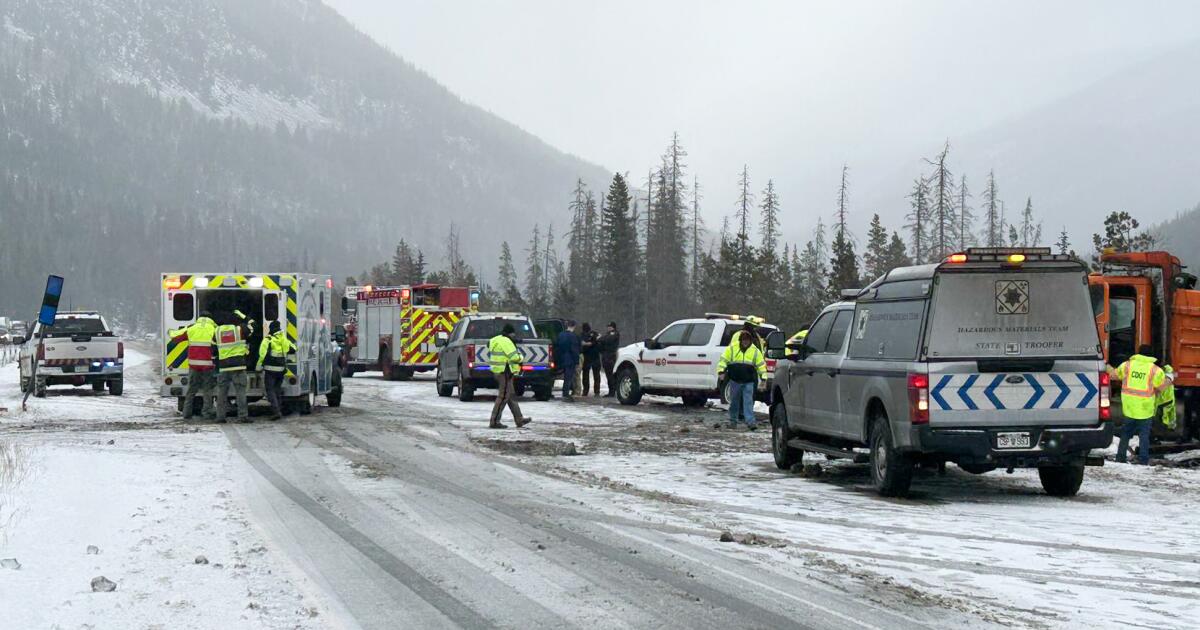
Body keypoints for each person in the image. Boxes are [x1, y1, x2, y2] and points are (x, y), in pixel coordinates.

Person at [1108, 344, 1168, 465]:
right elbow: (1161, 387)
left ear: (1138, 353)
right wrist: (1169, 380)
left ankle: (1120, 458)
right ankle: (1143, 460)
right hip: (1145, 410)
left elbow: (1114, 375)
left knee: (1125, 434)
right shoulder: (1155, 370)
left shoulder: (1127, 365)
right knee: (1144, 436)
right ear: (1151, 354)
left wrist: (1107, 366)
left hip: (1129, 408)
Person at [718, 329, 767, 430]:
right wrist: (721, 372)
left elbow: (761, 365)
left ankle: (751, 423)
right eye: (743, 339)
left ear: (750, 341)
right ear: (740, 340)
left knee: (748, 402)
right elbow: (723, 360)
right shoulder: (732, 349)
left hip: (748, 381)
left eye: (747, 340)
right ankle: (733, 422)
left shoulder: (755, 351)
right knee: (734, 403)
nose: (745, 341)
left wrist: (763, 379)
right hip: (735, 380)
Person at [488, 324, 532, 429]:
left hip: (499, 371)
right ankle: (494, 421)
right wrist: (521, 357)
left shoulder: (495, 339)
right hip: (505, 372)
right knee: (503, 396)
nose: (514, 335)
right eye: (513, 333)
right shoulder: (506, 341)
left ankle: (519, 419)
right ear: (510, 333)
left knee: (510, 396)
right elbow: (514, 357)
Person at [214, 313, 253, 423]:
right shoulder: (240, 329)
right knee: (240, 392)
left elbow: (213, 349)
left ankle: (220, 417)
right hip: (238, 366)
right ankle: (242, 416)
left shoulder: (217, 331)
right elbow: (254, 326)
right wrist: (245, 317)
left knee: (222, 393)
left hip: (223, 367)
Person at [181, 311, 218, 421]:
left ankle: (186, 413)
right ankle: (207, 413)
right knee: (207, 390)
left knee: (191, 390)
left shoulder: (191, 328)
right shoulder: (214, 329)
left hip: (194, 365)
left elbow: (176, 337)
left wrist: (171, 332)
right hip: (207, 365)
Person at [257, 321, 295, 420]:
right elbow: (294, 348)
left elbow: (262, 355)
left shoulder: (268, 340)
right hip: (281, 370)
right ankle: (279, 409)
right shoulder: (283, 339)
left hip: (270, 370)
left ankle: (276, 411)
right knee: (277, 389)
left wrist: (258, 367)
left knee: (270, 390)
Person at [554, 320, 582, 402]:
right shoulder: (573, 336)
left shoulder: (561, 334)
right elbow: (575, 350)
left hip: (562, 358)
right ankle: (565, 393)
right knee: (568, 377)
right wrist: (576, 361)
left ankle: (565, 392)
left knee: (566, 376)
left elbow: (557, 346)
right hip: (570, 359)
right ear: (574, 326)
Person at [599, 322, 621, 397]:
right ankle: (611, 391)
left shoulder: (614, 334)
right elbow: (601, 341)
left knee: (611, 374)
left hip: (611, 356)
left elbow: (608, 339)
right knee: (608, 375)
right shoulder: (607, 334)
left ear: (613, 327)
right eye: (608, 326)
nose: (608, 328)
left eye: (610, 327)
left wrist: (601, 338)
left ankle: (613, 391)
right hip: (605, 356)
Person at [580, 322, 602, 397]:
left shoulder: (583, 335)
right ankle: (596, 391)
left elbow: (583, 344)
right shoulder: (593, 333)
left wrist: (588, 344)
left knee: (587, 374)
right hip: (593, 356)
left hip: (589, 356)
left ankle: (587, 391)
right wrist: (591, 343)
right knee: (595, 375)